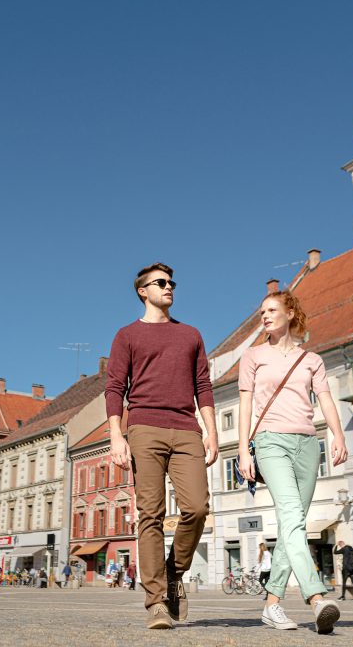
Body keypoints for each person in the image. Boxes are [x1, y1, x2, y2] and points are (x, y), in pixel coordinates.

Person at [107, 262, 218, 630]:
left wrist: (211, 431)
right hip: (143, 427)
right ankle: (155, 601)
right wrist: (116, 435)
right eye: (161, 282)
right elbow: (114, 388)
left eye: (172, 282)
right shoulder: (127, 335)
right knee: (150, 514)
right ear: (143, 291)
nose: (169, 287)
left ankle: (173, 572)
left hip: (186, 428)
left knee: (198, 508)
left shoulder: (190, 334)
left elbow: (203, 385)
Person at [237, 289, 348, 634]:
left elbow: (326, 399)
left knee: (293, 524)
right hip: (270, 442)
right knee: (290, 515)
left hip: (307, 445)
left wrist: (337, 434)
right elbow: (244, 406)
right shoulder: (253, 356)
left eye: (271, 310)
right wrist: (243, 449)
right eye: (261, 312)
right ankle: (316, 598)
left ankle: (272, 604)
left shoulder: (311, 359)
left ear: (289, 313)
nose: (264, 316)